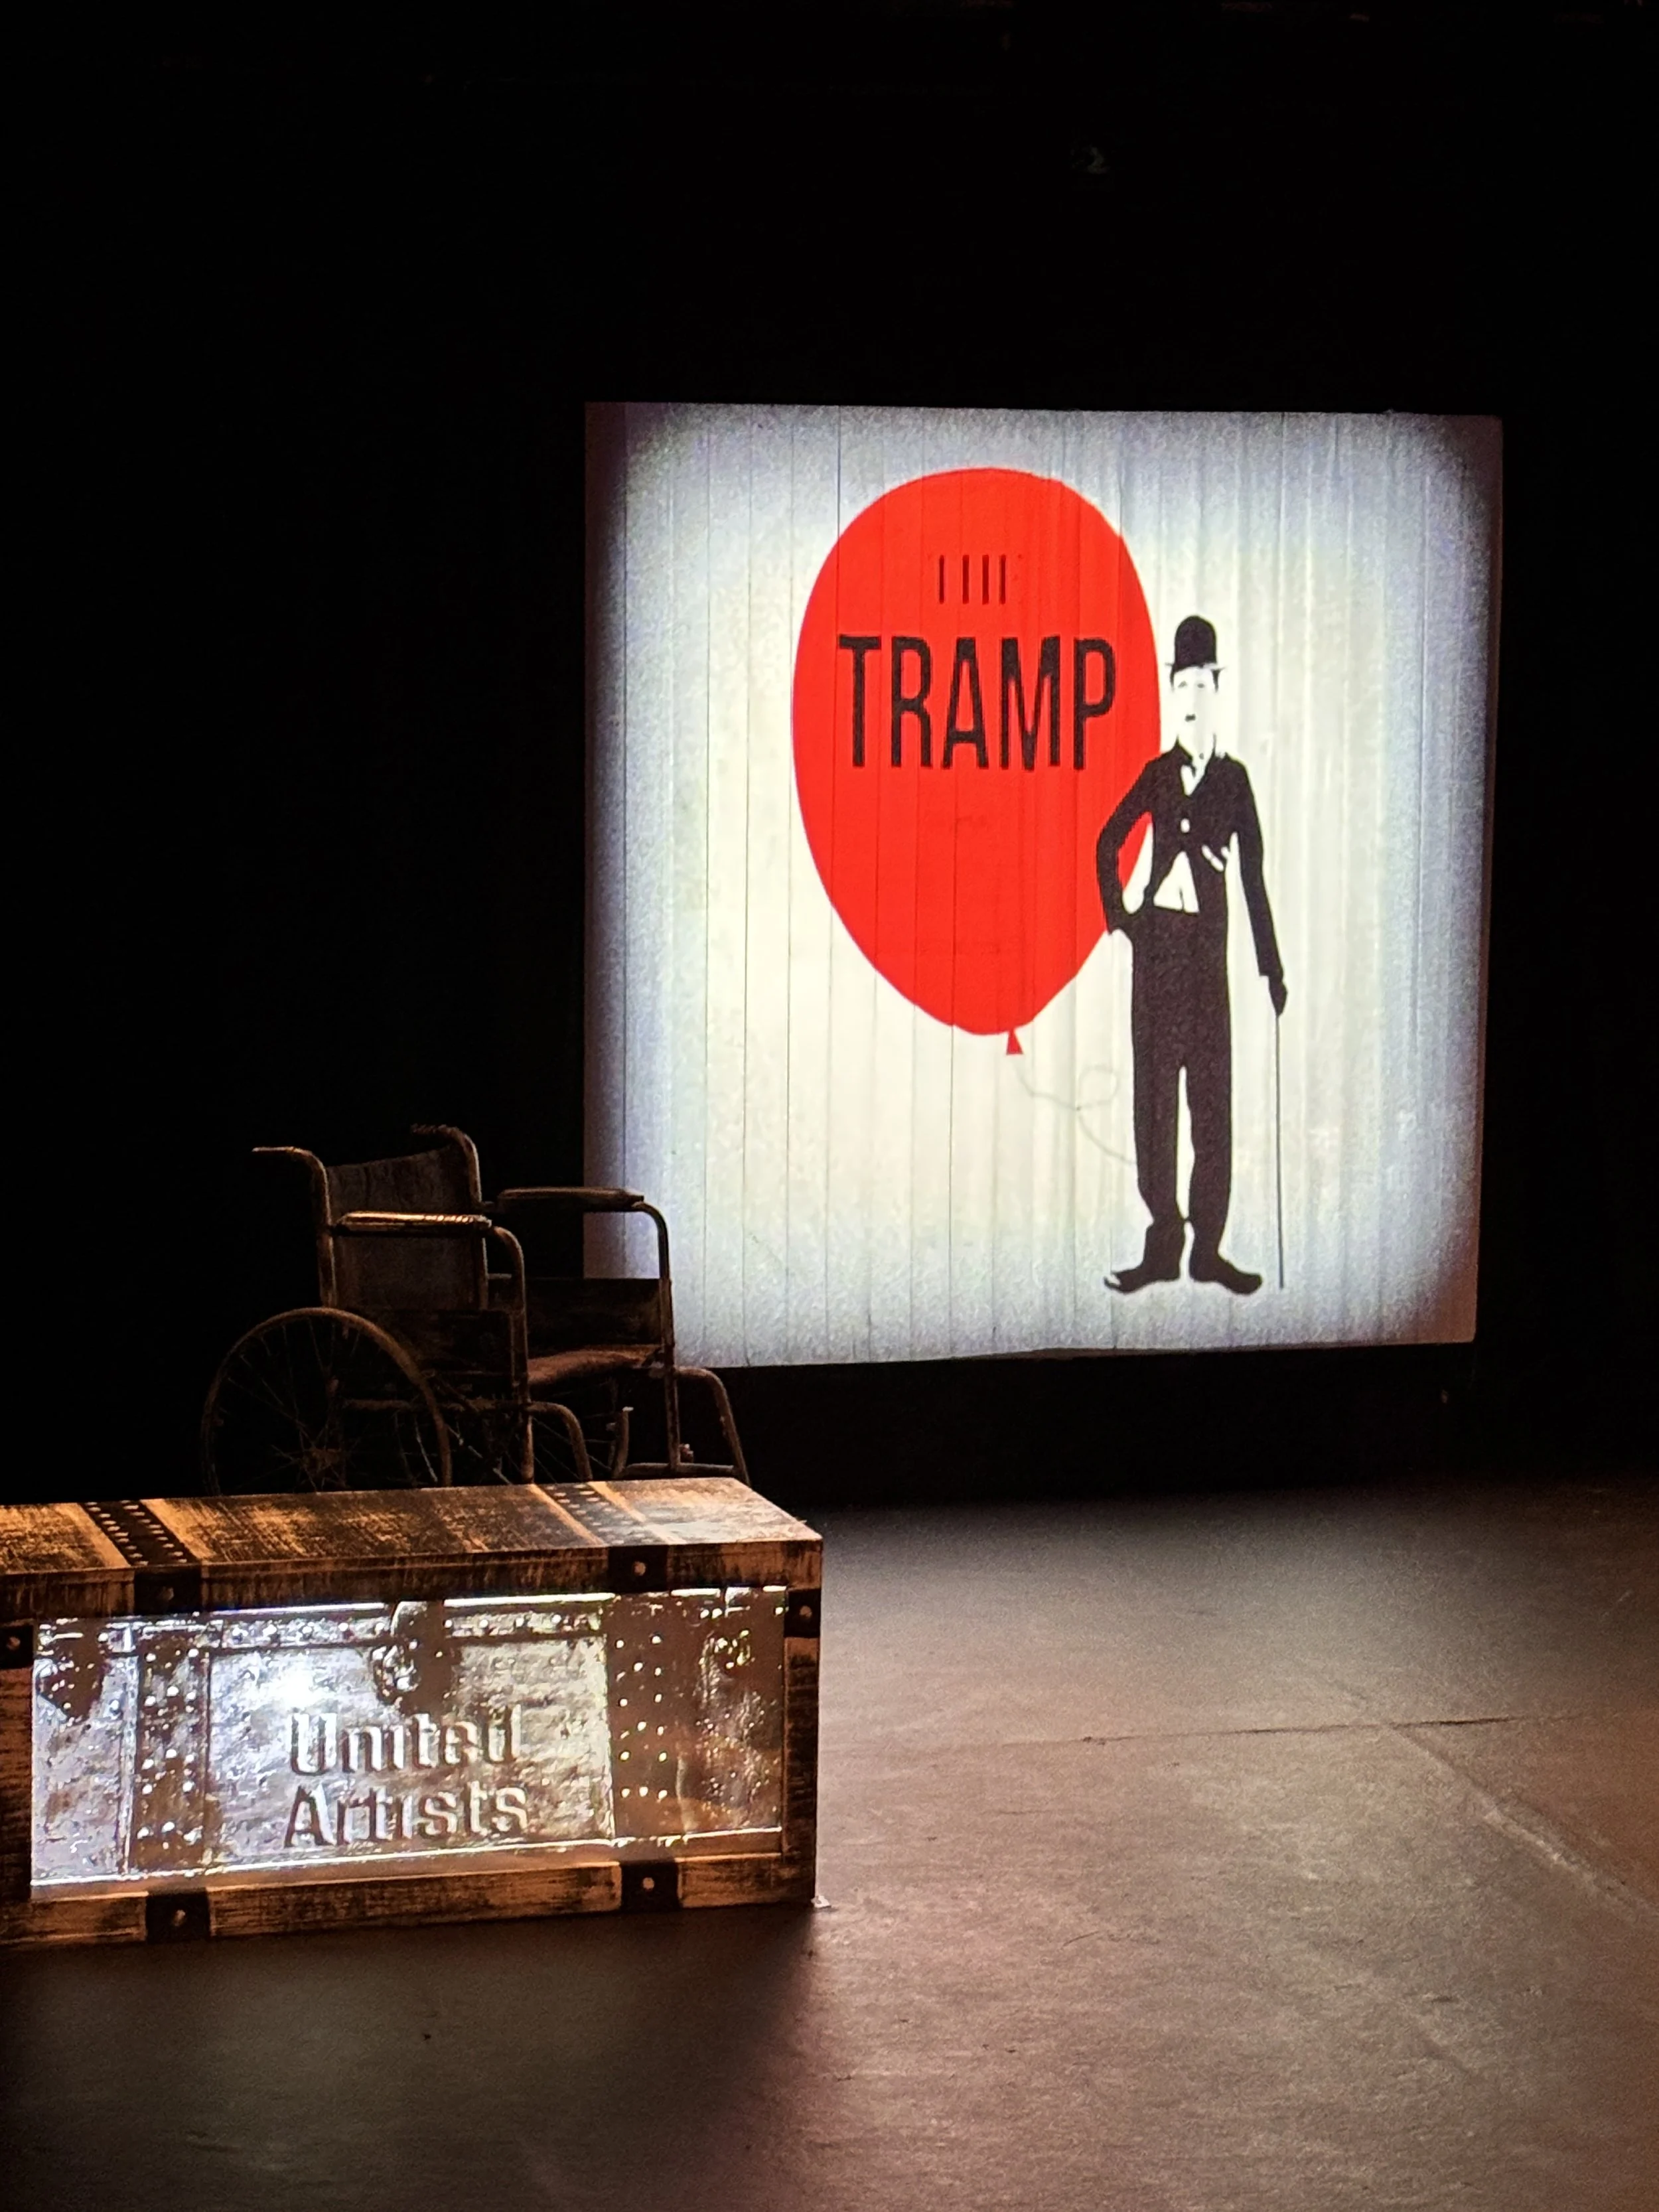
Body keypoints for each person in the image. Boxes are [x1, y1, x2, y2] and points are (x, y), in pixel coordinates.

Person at [1096, 615, 1285, 1295]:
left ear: (1217, 688)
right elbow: (1107, 841)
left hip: (1207, 962)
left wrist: (1270, 966)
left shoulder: (1234, 780)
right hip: (1157, 957)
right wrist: (1122, 920)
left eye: (1202, 683)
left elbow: (1253, 876)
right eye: (1182, 684)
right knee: (1155, 1106)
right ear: (1171, 690)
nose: (1192, 697)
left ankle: (1208, 1249)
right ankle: (1162, 1246)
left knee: (1210, 1104)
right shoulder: (1155, 774)